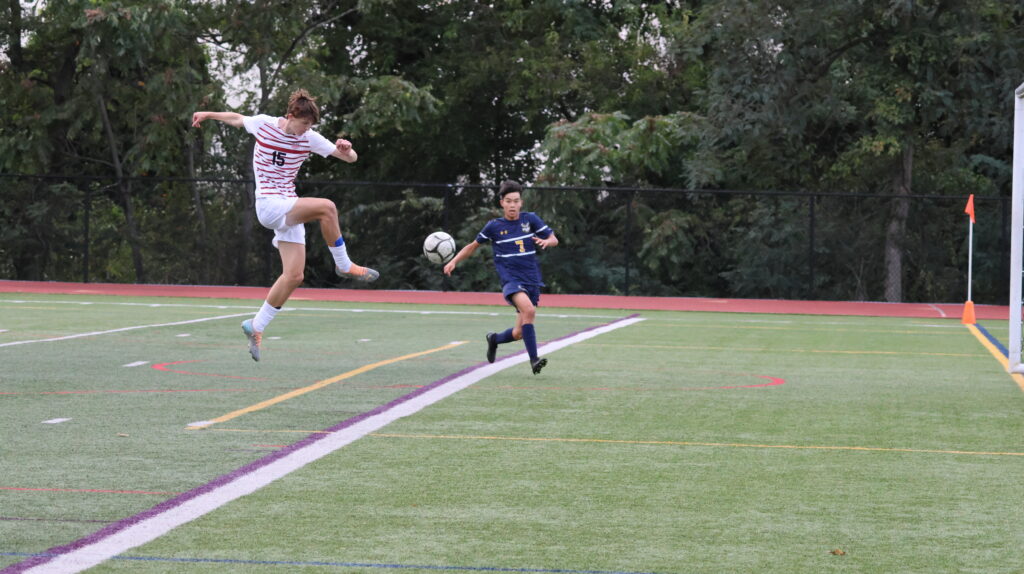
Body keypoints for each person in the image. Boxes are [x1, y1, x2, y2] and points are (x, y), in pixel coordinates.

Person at [192, 89, 378, 362]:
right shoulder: (265, 124)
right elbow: (237, 118)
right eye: (304, 124)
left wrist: (347, 151)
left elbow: (350, 160)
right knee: (327, 208)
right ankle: (343, 265)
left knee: (294, 276)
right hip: (269, 204)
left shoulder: (309, 138)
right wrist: (209, 114)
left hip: (289, 206)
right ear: (290, 116)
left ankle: (255, 326)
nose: (307, 130)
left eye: (311, 126)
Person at [444, 180, 558, 374]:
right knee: (529, 311)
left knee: (519, 332)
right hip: (511, 281)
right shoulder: (494, 226)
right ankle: (534, 360)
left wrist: (547, 241)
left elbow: (554, 239)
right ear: (501, 203)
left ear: (521, 202)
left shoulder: (530, 220)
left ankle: (494, 339)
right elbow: (472, 246)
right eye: (508, 201)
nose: (512, 205)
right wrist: (454, 261)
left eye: (516, 201)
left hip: (532, 280)